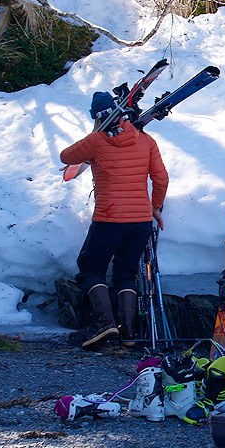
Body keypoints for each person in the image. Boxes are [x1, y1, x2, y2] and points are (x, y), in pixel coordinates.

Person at [61, 91, 168, 350]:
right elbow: (161, 179)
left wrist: (94, 138)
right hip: (141, 221)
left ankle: (106, 323)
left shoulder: (97, 141)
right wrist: (154, 207)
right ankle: (129, 333)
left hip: (109, 219)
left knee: (90, 268)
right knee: (125, 273)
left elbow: (66, 157)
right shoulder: (146, 140)